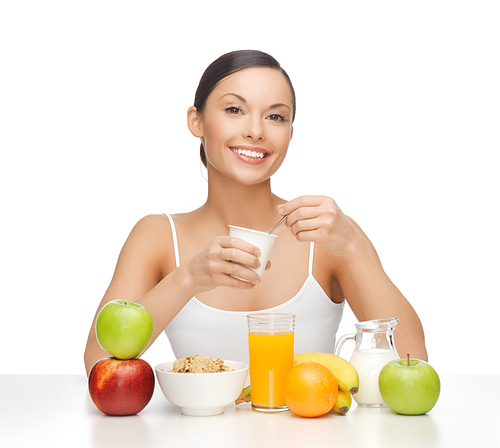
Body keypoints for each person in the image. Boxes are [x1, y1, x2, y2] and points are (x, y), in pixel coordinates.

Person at [84, 50, 427, 376]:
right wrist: (187, 278)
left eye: (276, 116)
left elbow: (413, 365)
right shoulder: (157, 236)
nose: (256, 131)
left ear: (290, 134)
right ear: (196, 121)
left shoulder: (325, 236)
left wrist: (354, 245)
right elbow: (99, 366)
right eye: (234, 110)